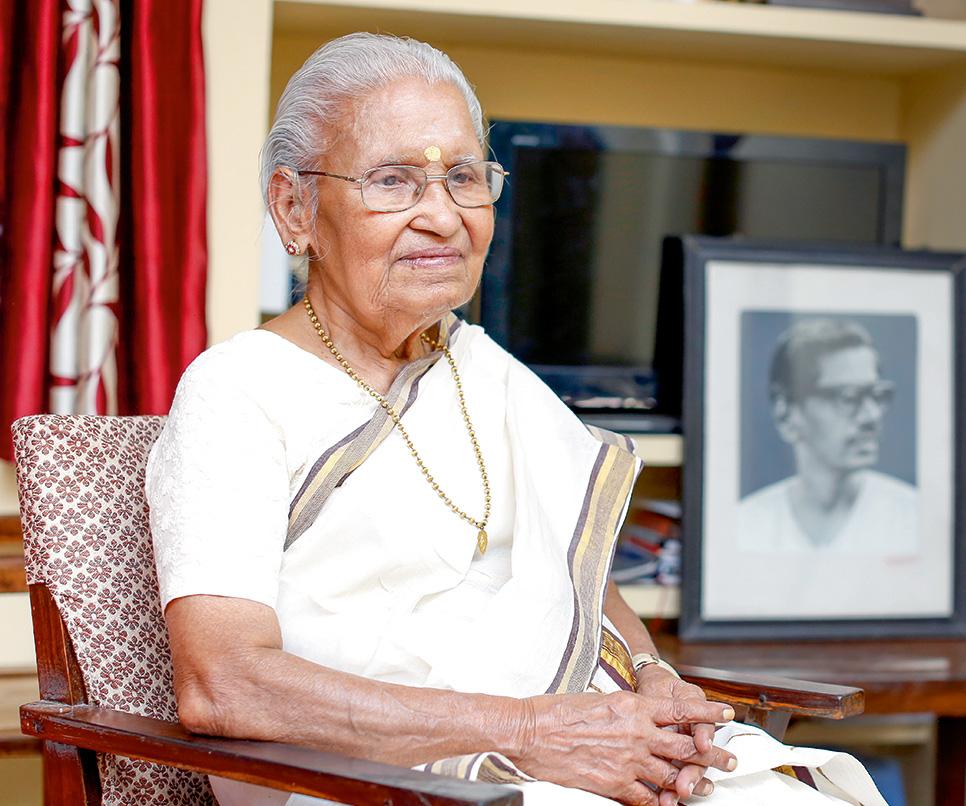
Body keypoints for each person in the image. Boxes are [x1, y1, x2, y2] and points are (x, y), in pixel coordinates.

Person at [147, 33, 885, 806]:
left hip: (563, 734)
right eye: (393, 181)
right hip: (370, 775)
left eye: (464, 177)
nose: (443, 216)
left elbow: (567, 564)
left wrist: (652, 676)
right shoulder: (237, 391)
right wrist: (530, 732)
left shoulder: (478, 366)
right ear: (294, 208)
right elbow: (224, 684)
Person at [737, 319, 918, 555]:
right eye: (848, 397)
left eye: (876, 395)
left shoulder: (913, 519)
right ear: (786, 413)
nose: (871, 416)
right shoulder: (745, 526)